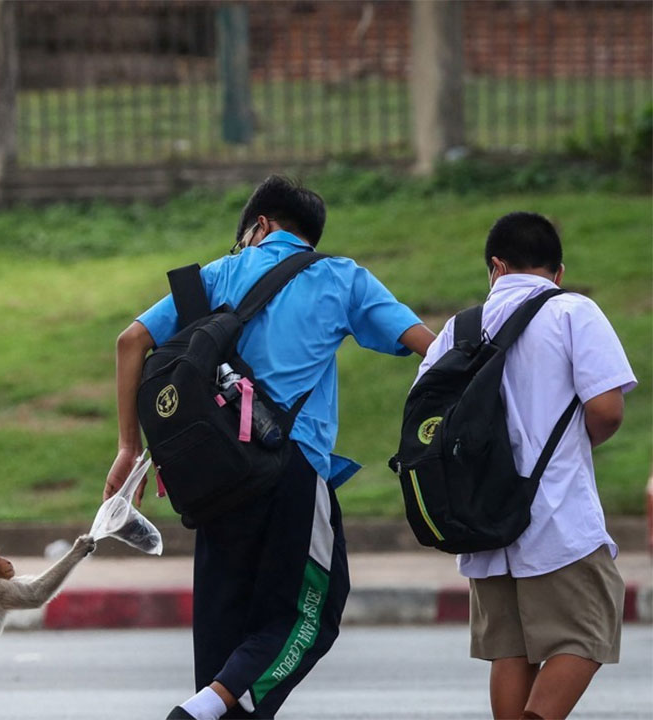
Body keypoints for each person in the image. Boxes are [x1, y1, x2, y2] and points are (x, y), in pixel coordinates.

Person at [105, 175, 435, 719]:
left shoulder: (217, 275)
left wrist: (126, 447)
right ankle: (205, 707)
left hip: (214, 480)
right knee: (310, 612)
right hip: (292, 470)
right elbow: (425, 346)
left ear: (260, 226)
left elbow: (130, 341)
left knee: (223, 632)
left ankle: (210, 700)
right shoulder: (342, 278)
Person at [412, 212, 634, 720]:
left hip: (481, 520)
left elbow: (425, 423)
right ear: (557, 272)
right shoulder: (571, 311)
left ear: (496, 267)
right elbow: (606, 408)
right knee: (590, 630)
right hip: (556, 516)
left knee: (510, 651)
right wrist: (574, 447)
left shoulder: (457, 329)